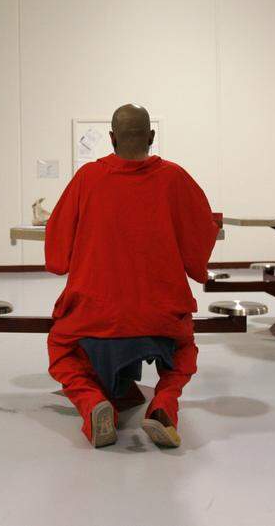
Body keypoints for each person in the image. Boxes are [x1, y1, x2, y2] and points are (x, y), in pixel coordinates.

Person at [44, 104, 219, 449]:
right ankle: (164, 403)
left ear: (111, 138)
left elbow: (58, 247)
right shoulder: (175, 178)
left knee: (60, 346)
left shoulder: (87, 178)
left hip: (96, 314)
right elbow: (200, 235)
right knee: (183, 351)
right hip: (161, 313)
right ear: (151, 136)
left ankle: (92, 402)